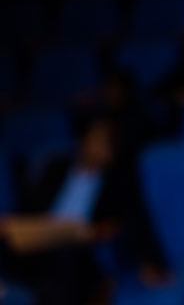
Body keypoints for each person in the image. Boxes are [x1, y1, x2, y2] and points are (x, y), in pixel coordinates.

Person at [0, 116, 130, 305]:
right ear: (82, 141)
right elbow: (30, 206)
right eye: (93, 140)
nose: (97, 148)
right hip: (40, 237)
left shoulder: (116, 183)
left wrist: (96, 231)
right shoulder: (57, 166)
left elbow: (119, 222)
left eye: (104, 144)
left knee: (62, 259)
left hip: (79, 249)